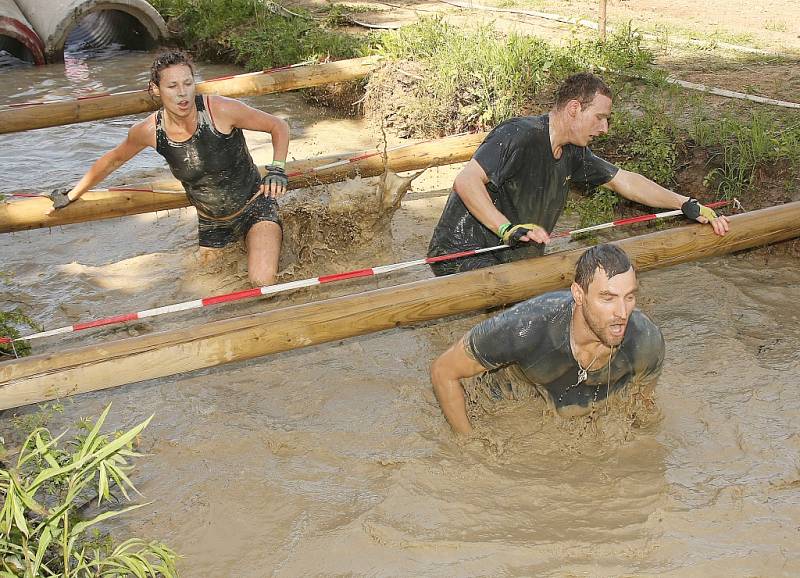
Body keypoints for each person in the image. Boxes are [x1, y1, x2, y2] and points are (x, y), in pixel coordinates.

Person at [427, 73, 730, 276]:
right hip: (461, 252)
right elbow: (466, 181)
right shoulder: (518, 135)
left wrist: (685, 203)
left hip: (510, 256)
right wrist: (506, 229)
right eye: (599, 118)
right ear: (574, 108)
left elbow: (626, 181)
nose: (604, 128)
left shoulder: (573, 153)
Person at [48, 50, 290, 287]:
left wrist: (277, 169)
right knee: (206, 291)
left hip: (256, 207)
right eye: (172, 86)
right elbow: (112, 160)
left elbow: (278, 125)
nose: (182, 93)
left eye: (187, 83)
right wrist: (72, 194)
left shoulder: (220, 110)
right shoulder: (149, 131)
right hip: (212, 223)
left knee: (262, 281)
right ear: (155, 89)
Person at [430, 244, 665, 434]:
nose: (622, 313)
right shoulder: (525, 326)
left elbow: (640, 407)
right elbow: (443, 371)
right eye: (608, 298)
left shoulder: (646, 340)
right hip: (511, 399)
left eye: (629, 297)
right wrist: (468, 444)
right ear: (579, 295)